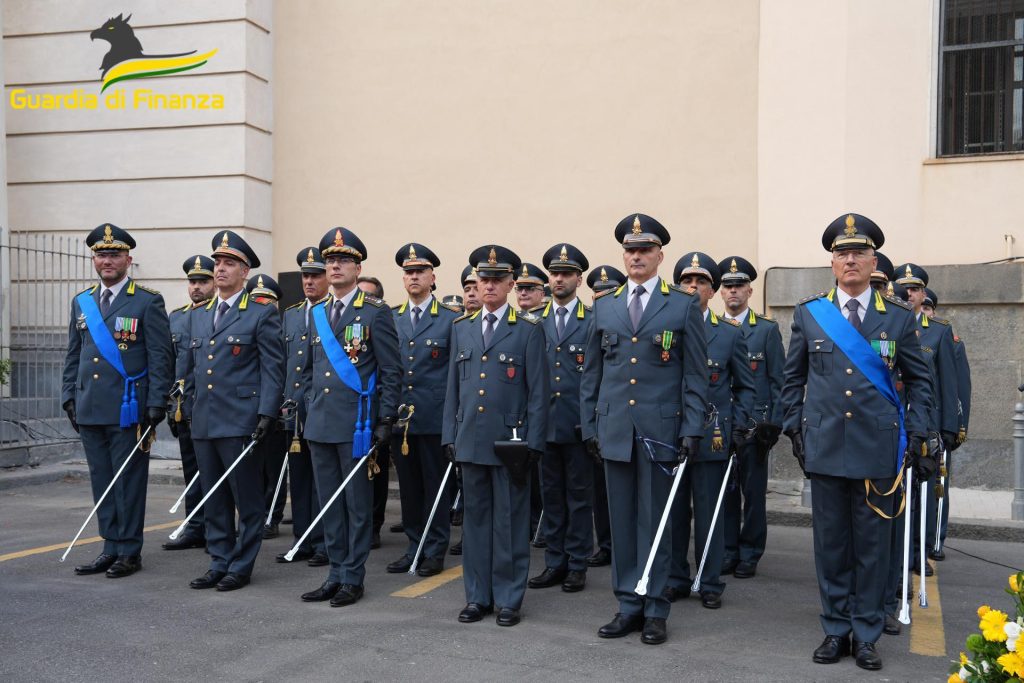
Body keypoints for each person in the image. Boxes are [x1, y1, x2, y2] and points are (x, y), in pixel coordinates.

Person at [782, 213, 934, 670]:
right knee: (831, 547)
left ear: (873, 261)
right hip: (825, 446)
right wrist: (795, 428)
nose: (850, 260)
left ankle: (866, 632)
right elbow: (793, 380)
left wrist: (919, 431)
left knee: (872, 546)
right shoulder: (810, 315)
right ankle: (835, 629)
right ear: (832, 263)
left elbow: (920, 382)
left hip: (877, 449)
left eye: (859, 253)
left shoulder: (900, 319)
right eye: (841, 253)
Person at [580, 214, 708, 646]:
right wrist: (590, 426)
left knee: (656, 520)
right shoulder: (605, 304)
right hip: (614, 428)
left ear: (659, 255)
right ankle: (627, 604)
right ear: (623, 255)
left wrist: (692, 426)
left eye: (645, 250)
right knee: (621, 521)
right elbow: (592, 375)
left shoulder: (682, 304)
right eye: (630, 250)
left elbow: (695, 374)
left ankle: (655, 607)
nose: (637, 256)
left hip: (661, 431)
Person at [442, 245, 549, 627]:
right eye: (482, 280)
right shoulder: (462, 327)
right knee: (475, 523)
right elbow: (453, 386)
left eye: (496, 280)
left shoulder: (528, 330)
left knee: (509, 523)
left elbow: (538, 391)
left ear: (510, 284)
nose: (487, 286)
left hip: (510, 443)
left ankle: (508, 598)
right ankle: (477, 596)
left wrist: (534, 441)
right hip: (470, 439)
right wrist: (449, 434)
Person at [62, 223, 173, 578]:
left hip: (129, 407)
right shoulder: (82, 302)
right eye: (101, 254)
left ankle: (129, 551)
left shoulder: (146, 300)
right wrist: (68, 396)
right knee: (102, 480)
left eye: (114, 254)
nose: (107, 261)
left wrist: (157, 402)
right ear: (94, 259)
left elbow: (160, 355)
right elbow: (74, 354)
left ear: (128, 259)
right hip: (90, 405)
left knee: (127, 481)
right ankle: (109, 546)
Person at [299, 227, 400, 607]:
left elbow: (391, 370)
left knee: (357, 506)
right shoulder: (318, 313)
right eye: (330, 261)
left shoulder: (375, 312)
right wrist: (305, 407)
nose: (335, 266)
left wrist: (385, 418)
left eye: (343, 260)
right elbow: (309, 369)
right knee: (329, 504)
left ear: (358, 268)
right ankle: (334, 573)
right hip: (321, 423)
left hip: (356, 425)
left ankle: (352, 578)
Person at [184, 230, 285, 592]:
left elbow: (273, 369)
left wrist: (266, 414)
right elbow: (194, 368)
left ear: (245, 272)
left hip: (241, 420)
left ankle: (241, 565)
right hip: (205, 420)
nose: (220, 269)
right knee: (214, 497)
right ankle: (219, 560)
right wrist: (186, 406)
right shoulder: (199, 315)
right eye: (218, 263)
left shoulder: (259, 314)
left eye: (229, 264)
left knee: (247, 499)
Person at [668, 253, 754, 609]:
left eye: (701, 282)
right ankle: (675, 576)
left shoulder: (728, 334)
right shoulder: (667, 328)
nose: (693, 287)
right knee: (673, 512)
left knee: (709, 512)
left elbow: (746, 386)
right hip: (671, 431)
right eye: (687, 281)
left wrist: (738, 424)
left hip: (712, 434)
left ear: (712, 289)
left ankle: (709, 579)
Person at [386, 243, 461, 577]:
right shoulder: (391, 318)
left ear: (433, 277)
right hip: (401, 422)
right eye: (408, 272)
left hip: (434, 418)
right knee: (410, 490)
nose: (413, 277)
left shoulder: (450, 320)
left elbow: (456, 376)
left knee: (436, 489)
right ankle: (414, 545)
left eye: (419, 272)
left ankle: (435, 550)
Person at [527, 244, 594, 594]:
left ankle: (578, 563)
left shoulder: (592, 318)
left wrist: (593, 422)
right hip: (545, 425)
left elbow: (596, 375)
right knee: (551, 496)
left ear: (578, 279)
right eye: (554, 274)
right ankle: (555, 561)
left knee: (579, 498)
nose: (558, 279)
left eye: (566, 274)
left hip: (578, 425)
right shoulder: (535, 319)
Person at [717, 255, 784, 580]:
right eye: (727, 286)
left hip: (755, 428)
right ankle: (728, 550)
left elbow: (779, 382)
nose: (733, 292)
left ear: (749, 290)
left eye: (738, 286)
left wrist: (775, 424)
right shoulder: (712, 330)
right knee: (726, 492)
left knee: (753, 494)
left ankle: (750, 553)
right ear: (720, 292)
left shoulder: (766, 331)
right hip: (722, 425)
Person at [895, 263, 960, 576]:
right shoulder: (887, 325)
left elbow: (948, 384)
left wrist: (949, 428)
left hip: (927, 425)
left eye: (915, 289)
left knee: (924, 496)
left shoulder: (939, 331)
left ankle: (918, 554)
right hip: (895, 423)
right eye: (904, 287)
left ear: (923, 295)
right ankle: (898, 553)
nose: (909, 293)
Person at [276, 247, 330, 567]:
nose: (309, 281)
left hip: (322, 406)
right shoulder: (292, 313)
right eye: (305, 276)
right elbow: (286, 363)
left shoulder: (332, 311)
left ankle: (324, 541)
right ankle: (302, 540)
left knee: (321, 479)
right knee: (299, 477)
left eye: (315, 275)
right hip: (295, 409)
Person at [162, 255, 215, 551]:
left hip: (214, 405)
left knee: (216, 471)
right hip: (185, 405)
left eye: (203, 281)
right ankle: (195, 525)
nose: (196, 287)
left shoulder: (219, 314)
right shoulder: (177, 317)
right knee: (191, 469)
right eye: (192, 282)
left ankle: (218, 530)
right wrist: (171, 405)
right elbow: (172, 364)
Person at [582, 264, 626, 568]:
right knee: (599, 490)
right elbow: (589, 376)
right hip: (599, 417)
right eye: (597, 294)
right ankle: (607, 543)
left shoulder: (622, 321)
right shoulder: (594, 322)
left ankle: (620, 543)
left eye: (607, 293)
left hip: (621, 417)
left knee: (620, 493)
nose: (601, 298)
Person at [922, 287, 971, 560]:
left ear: (934, 310)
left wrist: (958, 426)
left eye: (928, 308)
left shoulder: (950, 340)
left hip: (939, 423)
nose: (924, 313)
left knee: (937, 486)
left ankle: (935, 539)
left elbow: (959, 388)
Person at [246, 274, 290, 539]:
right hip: (249, 407)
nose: (262, 306)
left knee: (274, 468)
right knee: (253, 467)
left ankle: (272, 515)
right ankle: (255, 513)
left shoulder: (283, 329)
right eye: (257, 301)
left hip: (276, 408)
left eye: (267, 302)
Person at [357, 274, 391, 549]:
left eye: (368, 295)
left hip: (374, 409)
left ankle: (374, 525)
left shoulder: (379, 318)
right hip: (350, 412)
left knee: (375, 473)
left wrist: (385, 415)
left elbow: (390, 368)